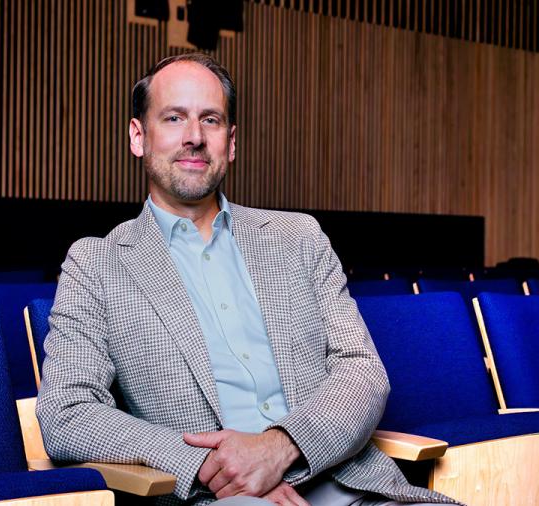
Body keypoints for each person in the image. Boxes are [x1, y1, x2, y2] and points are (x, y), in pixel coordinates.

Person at [36, 53, 458, 506]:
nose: (194, 137)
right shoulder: (95, 265)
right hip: (217, 497)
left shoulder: (298, 238)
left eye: (211, 120)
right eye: (174, 117)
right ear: (139, 137)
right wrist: (210, 467)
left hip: (351, 483)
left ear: (231, 142)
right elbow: (67, 413)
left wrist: (280, 447)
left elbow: (364, 372)